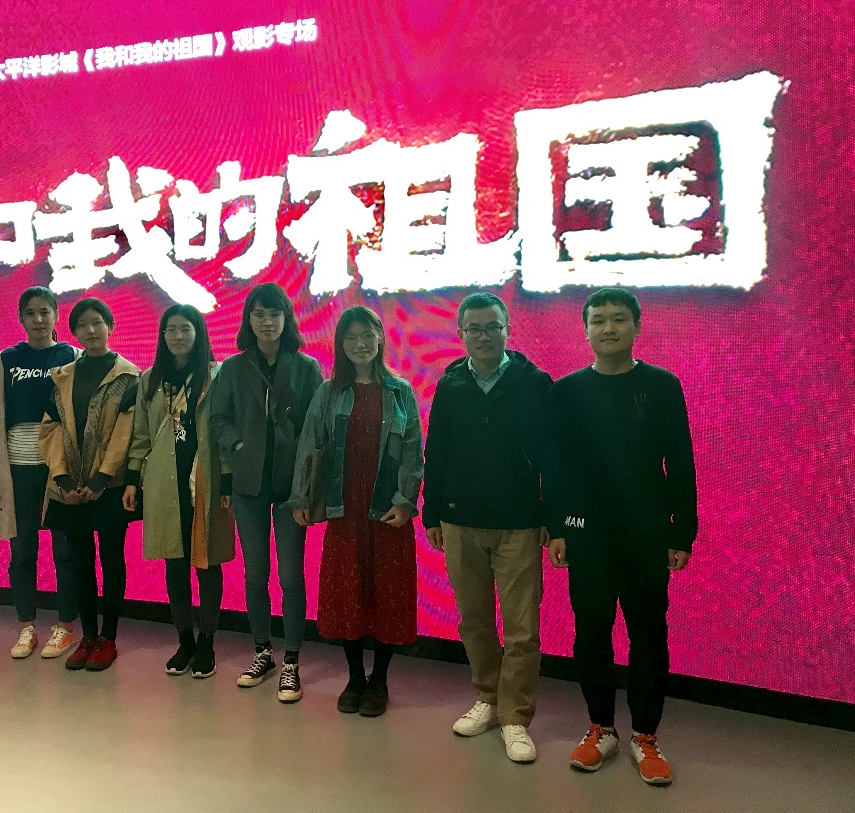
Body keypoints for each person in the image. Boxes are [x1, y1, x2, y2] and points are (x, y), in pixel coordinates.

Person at [547, 286, 697, 787]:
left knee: (648, 634)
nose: (607, 327)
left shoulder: (662, 385)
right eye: (598, 320)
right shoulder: (567, 391)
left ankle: (645, 736)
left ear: (636, 326)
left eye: (617, 318)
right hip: (586, 533)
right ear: (586, 329)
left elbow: (680, 461)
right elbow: (558, 466)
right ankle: (600, 728)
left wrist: (683, 531)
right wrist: (557, 526)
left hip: (646, 532)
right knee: (591, 632)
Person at [421, 292, 555, 763]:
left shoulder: (535, 383)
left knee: (522, 628)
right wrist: (432, 513)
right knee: (474, 621)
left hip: (519, 523)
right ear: (461, 334)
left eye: (492, 327)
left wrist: (551, 516)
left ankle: (515, 717)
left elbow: (553, 456)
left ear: (508, 330)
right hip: (460, 521)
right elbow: (436, 452)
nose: (483, 336)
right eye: (474, 328)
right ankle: (487, 698)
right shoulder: (451, 384)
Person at [288, 306, 422, 717]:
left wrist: (405, 501)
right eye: (350, 337)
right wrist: (301, 498)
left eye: (367, 335)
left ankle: (379, 679)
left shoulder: (400, 390)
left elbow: (413, 450)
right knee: (347, 591)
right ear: (340, 344)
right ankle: (354, 678)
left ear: (379, 338)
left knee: (387, 592)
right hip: (343, 504)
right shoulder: (328, 392)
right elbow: (309, 445)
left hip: (386, 507)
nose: (360, 344)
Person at [210, 282, 324, 702]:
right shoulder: (233, 368)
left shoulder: (307, 367)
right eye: (258, 314)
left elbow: (318, 428)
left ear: (286, 318)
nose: (267, 321)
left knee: (291, 576)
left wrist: (309, 487)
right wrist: (238, 444)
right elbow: (217, 419)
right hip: (249, 485)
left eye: (274, 313)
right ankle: (263, 652)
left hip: (293, 487)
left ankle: (291, 659)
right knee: (255, 574)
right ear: (248, 320)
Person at [123, 305, 233, 679]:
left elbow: (224, 430)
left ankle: (207, 642)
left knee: (208, 562)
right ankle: (184, 640)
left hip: (206, 480)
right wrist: (133, 478)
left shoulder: (216, 375)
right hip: (163, 482)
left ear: (198, 333)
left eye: (185, 328)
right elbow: (141, 434)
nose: (177, 336)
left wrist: (228, 481)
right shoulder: (150, 379)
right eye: (170, 330)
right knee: (175, 562)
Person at [0, 286, 79, 660]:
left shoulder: (72, 357)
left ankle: (65, 625)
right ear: (20, 318)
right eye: (30, 313)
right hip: (16, 470)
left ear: (56, 315)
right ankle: (27, 626)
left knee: (65, 550)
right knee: (22, 550)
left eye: (44, 312)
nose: (38, 320)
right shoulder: (4, 361)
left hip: (59, 469)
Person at [39, 297, 140, 671]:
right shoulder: (61, 376)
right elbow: (50, 429)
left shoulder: (130, 377)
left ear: (110, 326)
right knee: (79, 562)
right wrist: (63, 478)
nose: (91, 330)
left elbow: (127, 432)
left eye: (97, 322)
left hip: (108, 489)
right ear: (74, 332)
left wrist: (101, 478)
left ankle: (108, 637)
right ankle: (87, 636)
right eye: (82, 325)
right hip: (69, 489)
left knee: (112, 561)